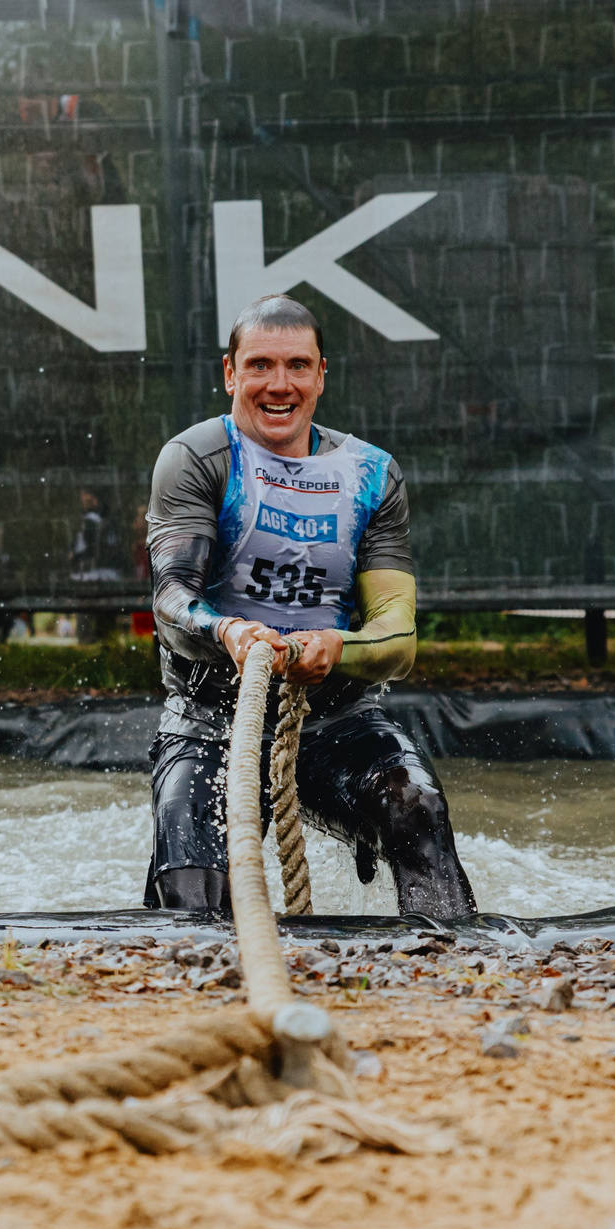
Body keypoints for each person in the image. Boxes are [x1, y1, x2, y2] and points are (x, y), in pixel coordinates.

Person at [142, 294, 479, 918]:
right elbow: (171, 601)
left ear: (322, 375)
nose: (279, 385)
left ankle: (446, 967)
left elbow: (398, 640)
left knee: (418, 807)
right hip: (211, 723)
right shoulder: (194, 460)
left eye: (298, 365)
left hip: (337, 722)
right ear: (230, 374)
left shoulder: (373, 475)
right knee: (193, 900)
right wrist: (231, 634)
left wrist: (336, 647)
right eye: (260, 365)